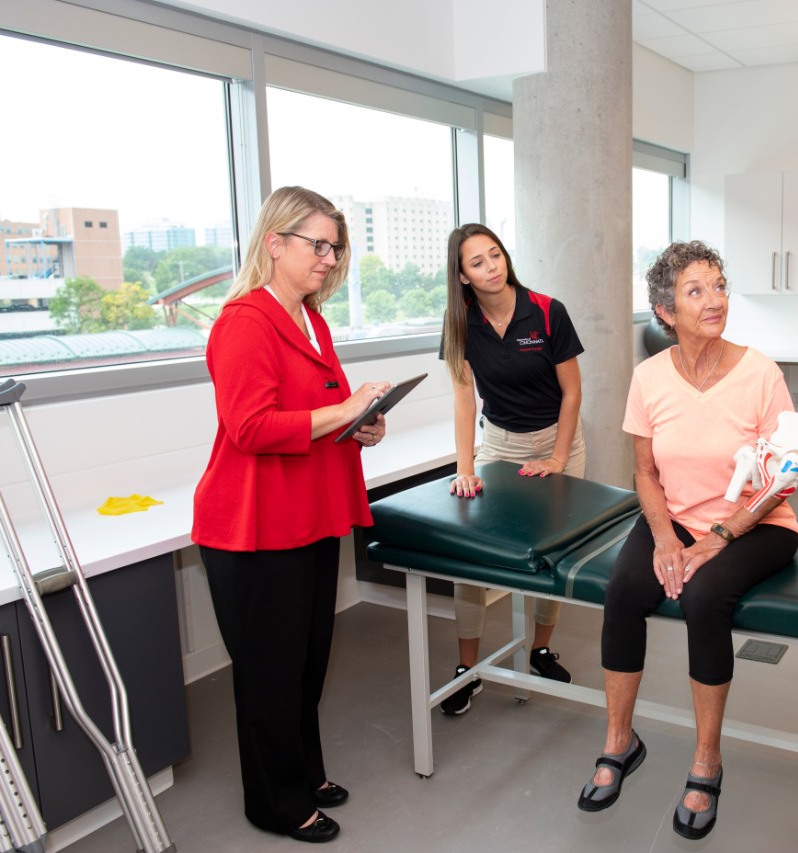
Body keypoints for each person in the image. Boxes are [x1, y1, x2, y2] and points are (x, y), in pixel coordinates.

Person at [576, 241, 798, 840]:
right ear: (665, 311)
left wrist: (721, 535)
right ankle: (619, 741)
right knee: (624, 590)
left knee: (704, 599)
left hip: (758, 521)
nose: (714, 300)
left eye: (719, 285)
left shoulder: (761, 374)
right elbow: (645, 472)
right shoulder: (649, 377)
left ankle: (707, 760)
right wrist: (662, 538)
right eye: (695, 291)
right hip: (674, 515)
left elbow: (784, 477)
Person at [192, 186, 391, 844]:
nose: (329, 259)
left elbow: (319, 411)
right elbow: (250, 427)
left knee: (305, 663)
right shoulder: (244, 322)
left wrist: (360, 423)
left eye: (336, 248)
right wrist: (343, 409)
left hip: (306, 514)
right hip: (254, 526)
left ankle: (303, 772)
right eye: (319, 245)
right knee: (270, 672)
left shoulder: (311, 319)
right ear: (275, 243)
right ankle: (275, 802)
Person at [438, 223, 586, 715]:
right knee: (467, 555)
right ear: (462, 275)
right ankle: (467, 668)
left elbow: (572, 393)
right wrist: (465, 468)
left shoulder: (546, 311)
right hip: (499, 444)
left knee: (552, 553)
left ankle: (540, 649)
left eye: (495, 254)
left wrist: (558, 459)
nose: (491, 267)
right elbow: (464, 399)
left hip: (557, 440)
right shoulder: (459, 323)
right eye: (477, 262)